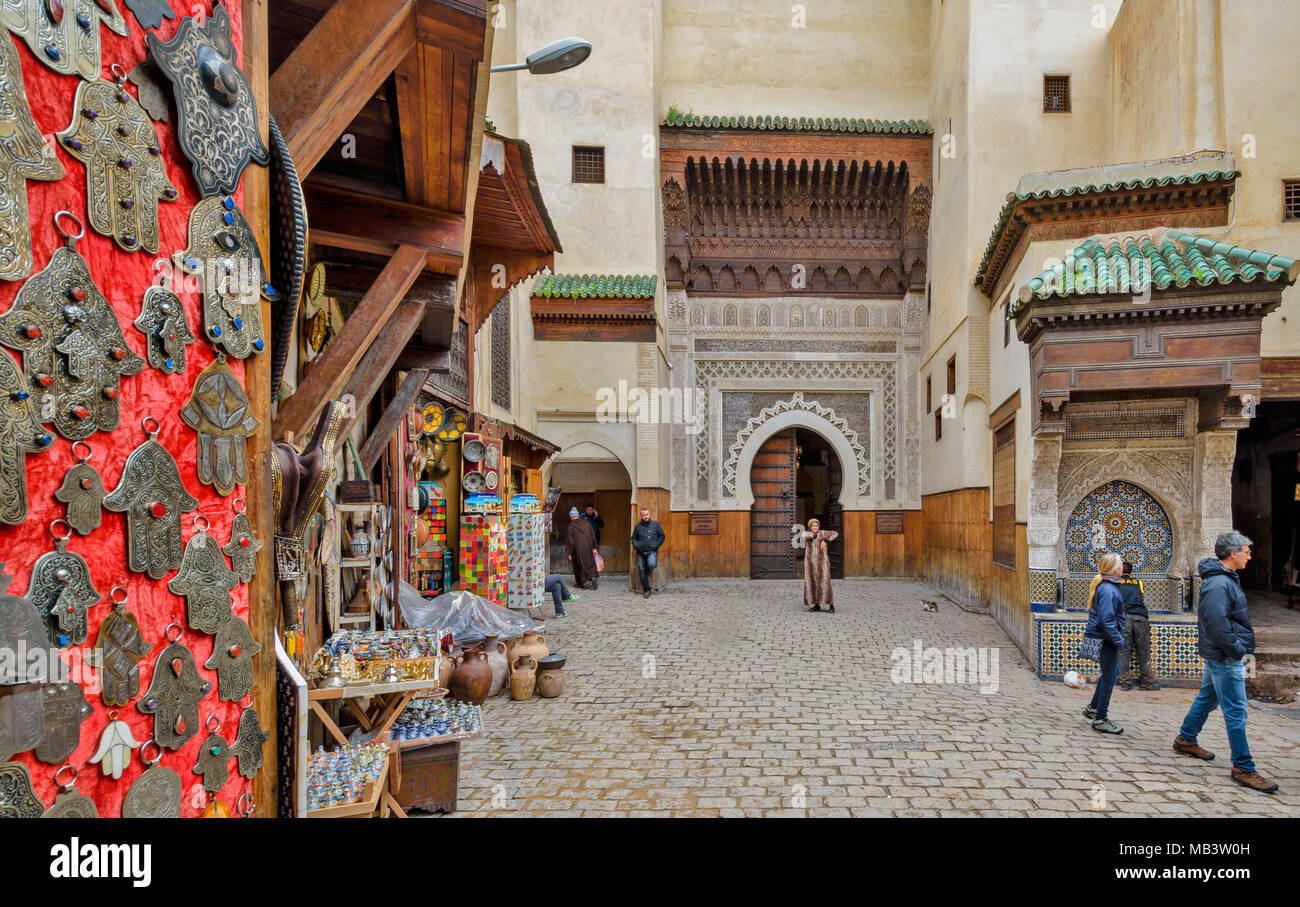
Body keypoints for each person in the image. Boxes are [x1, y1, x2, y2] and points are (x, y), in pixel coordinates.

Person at [1173, 531, 1279, 793]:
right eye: (1246, 551)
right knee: (1236, 711)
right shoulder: (1220, 584)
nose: (1249, 555)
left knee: (1208, 699)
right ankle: (1243, 767)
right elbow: (1216, 622)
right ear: (1233, 553)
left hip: (1220, 655)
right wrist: (1237, 649)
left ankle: (1186, 739)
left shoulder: (1224, 580)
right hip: (1224, 656)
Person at [1083, 551, 1125, 734]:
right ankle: (1100, 718)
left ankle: (1093, 707)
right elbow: (1106, 621)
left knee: (1110, 672)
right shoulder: (1108, 590)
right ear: (1116, 570)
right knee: (1109, 678)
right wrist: (1119, 640)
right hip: (1105, 639)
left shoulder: (1107, 587)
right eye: (1121, 564)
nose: (1123, 567)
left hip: (1103, 637)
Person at [1117, 561, 1161, 691]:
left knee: (1124, 651)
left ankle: (1125, 683)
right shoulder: (1139, 583)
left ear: (1119, 572)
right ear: (1131, 573)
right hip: (1141, 617)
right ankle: (1147, 683)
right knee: (1144, 651)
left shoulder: (1116, 583)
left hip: (1125, 618)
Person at [801, 518, 839, 613]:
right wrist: (815, 535)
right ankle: (817, 605)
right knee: (813, 583)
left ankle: (831, 605)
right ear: (810, 527)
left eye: (816, 525)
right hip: (810, 564)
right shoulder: (807, 534)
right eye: (813, 526)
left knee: (825, 583)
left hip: (822, 564)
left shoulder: (822, 533)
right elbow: (805, 535)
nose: (815, 527)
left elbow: (835, 533)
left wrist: (825, 541)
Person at [630, 508, 665, 599]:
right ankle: (647, 590)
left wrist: (656, 545)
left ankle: (647, 570)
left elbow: (662, 535)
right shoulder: (638, 526)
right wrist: (636, 545)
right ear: (641, 516)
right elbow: (633, 537)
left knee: (652, 564)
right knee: (642, 571)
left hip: (652, 551)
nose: (646, 516)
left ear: (650, 514)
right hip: (640, 552)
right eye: (644, 515)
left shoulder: (655, 525)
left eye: (647, 514)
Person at [564, 507, 599, 590]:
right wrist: (594, 547)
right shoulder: (586, 523)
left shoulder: (571, 526)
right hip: (588, 547)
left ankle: (580, 583)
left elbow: (570, 541)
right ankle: (593, 577)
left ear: (572, 516)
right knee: (590, 563)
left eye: (570, 516)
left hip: (577, 549)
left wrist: (568, 553)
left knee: (578, 565)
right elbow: (593, 536)